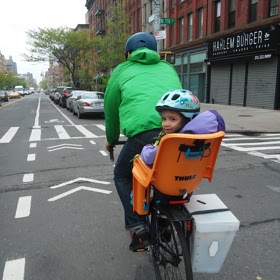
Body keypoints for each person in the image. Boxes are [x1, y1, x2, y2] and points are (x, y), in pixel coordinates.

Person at [104, 32, 182, 252]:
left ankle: (138, 227)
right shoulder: (167, 67)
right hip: (176, 132)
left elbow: (111, 109)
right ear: (155, 52)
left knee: (121, 175)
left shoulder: (121, 70)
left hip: (143, 134)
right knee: (167, 175)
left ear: (128, 54)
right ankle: (165, 221)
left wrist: (111, 140)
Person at [141, 89, 226, 165]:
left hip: (164, 179)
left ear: (187, 119)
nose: (166, 124)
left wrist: (147, 148)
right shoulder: (201, 136)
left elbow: (148, 158)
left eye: (172, 119)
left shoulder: (171, 141)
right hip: (191, 178)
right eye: (164, 119)